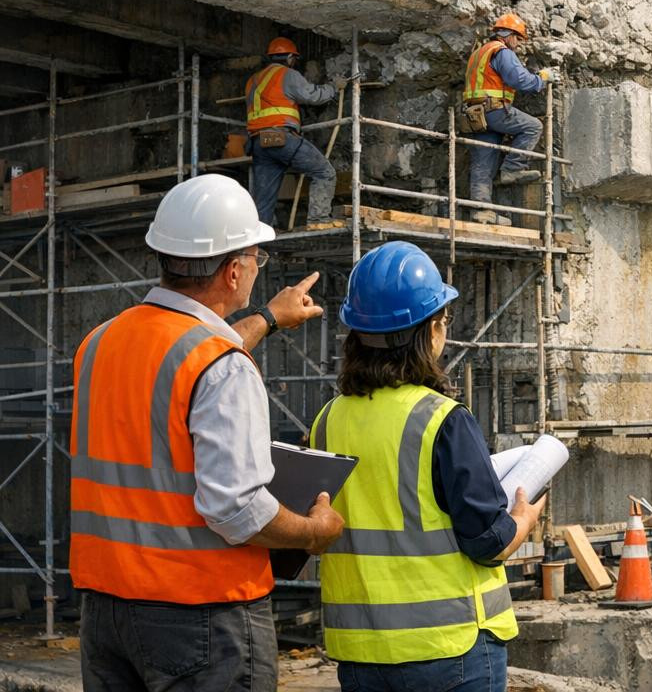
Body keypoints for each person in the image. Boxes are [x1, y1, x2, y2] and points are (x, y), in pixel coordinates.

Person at [73, 174, 344, 692]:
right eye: (256, 260)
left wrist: (264, 319)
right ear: (234, 270)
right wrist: (316, 532)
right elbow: (236, 509)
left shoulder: (99, 342)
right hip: (200, 616)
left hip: (105, 614)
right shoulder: (221, 366)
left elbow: (184, 363)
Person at [311, 241, 547, 687]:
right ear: (431, 330)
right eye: (443, 319)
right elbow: (487, 541)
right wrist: (522, 518)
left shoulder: (327, 420)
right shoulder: (441, 419)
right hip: (448, 650)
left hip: (361, 654)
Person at [462, 13, 558, 223]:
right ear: (508, 35)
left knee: (483, 162)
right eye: (518, 39)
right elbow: (519, 80)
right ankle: (512, 169)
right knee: (533, 126)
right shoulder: (501, 52)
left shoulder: (479, 53)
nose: (518, 44)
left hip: (476, 115)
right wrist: (542, 78)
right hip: (494, 110)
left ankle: (481, 211)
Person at [245, 37, 339, 228]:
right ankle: (319, 219)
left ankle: (260, 237)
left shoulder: (252, 80)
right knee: (323, 171)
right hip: (281, 138)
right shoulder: (287, 74)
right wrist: (334, 88)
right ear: (289, 57)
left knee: (263, 197)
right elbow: (312, 95)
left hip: (258, 143)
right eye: (294, 59)